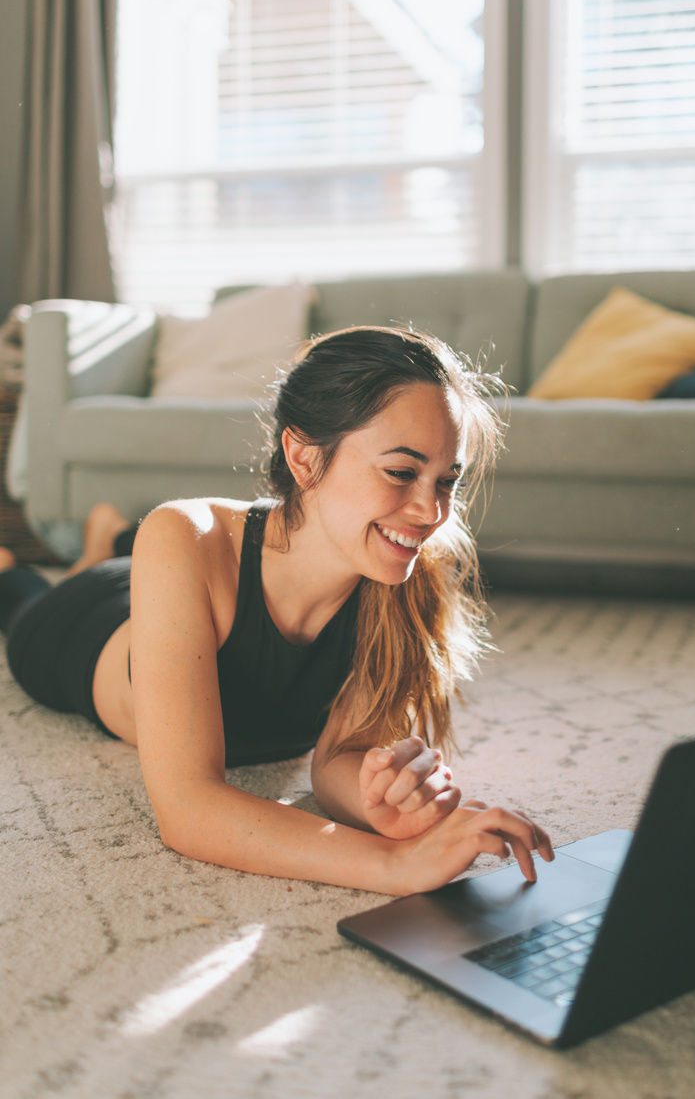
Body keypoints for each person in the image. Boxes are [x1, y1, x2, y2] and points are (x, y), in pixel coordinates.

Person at [0, 326, 553, 894]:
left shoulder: (408, 575)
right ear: (304, 456)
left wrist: (377, 801)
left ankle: (110, 537)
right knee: (20, 599)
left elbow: (341, 756)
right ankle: (74, 555)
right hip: (82, 624)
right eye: (401, 472)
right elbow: (188, 808)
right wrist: (391, 864)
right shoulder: (182, 532)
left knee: (140, 561)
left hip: (181, 584)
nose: (429, 511)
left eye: (447, 481)